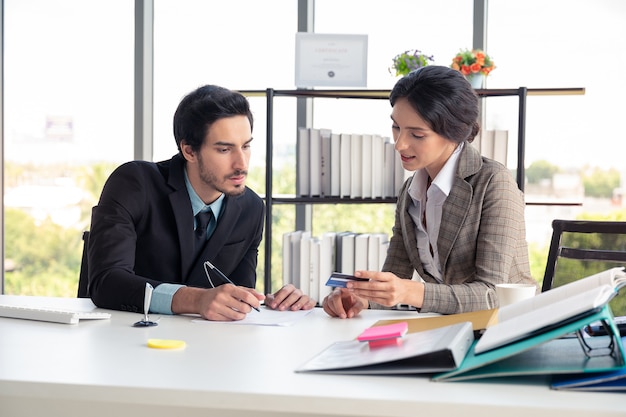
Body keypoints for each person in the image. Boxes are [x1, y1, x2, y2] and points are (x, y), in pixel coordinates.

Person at [322, 65, 536, 318]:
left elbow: (491, 295)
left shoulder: (493, 182)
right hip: (445, 327)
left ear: (453, 133)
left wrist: (410, 292)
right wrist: (362, 298)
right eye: (396, 127)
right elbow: (395, 277)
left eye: (417, 134)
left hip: (504, 328)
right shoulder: (410, 192)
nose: (400, 143)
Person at [88, 84, 316, 321]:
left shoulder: (251, 208)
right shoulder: (136, 182)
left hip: (204, 348)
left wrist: (276, 303)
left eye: (246, 146)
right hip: (125, 342)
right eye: (224, 149)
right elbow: (105, 281)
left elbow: (235, 298)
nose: (241, 164)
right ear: (189, 151)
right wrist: (195, 300)